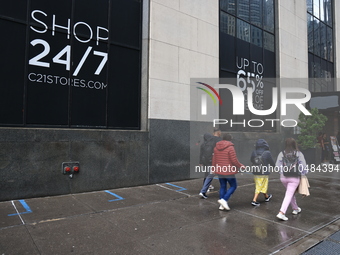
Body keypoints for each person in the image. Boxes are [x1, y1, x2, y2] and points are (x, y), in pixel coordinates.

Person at [276, 138, 307, 221]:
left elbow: (277, 166)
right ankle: (281, 212)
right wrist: (303, 173)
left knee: (290, 193)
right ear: (294, 144)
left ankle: (295, 208)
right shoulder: (298, 154)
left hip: (283, 177)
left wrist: (282, 173)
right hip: (294, 178)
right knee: (289, 194)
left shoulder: (281, 153)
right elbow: (303, 166)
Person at [212, 133, 244, 211]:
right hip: (228, 171)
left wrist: (213, 168)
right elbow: (234, 160)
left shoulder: (216, 147)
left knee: (223, 186)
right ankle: (224, 200)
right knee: (233, 186)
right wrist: (241, 166)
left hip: (220, 170)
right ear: (230, 139)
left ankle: (221, 205)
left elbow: (214, 159)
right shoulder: (230, 148)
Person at [250, 139, 275, 206]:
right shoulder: (267, 153)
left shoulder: (254, 152)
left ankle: (267, 196)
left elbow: (251, 160)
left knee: (261, 184)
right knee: (260, 185)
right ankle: (254, 200)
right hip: (264, 172)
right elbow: (272, 162)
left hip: (256, 171)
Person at [198, 128, 222, 199]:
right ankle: (204, 190)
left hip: (205, 161)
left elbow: (201, 154)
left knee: (208, 174)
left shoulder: (203, 144)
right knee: (213, 174)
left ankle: (206, 188)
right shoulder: (214, 142)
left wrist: (200, 162)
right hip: (212, 161)